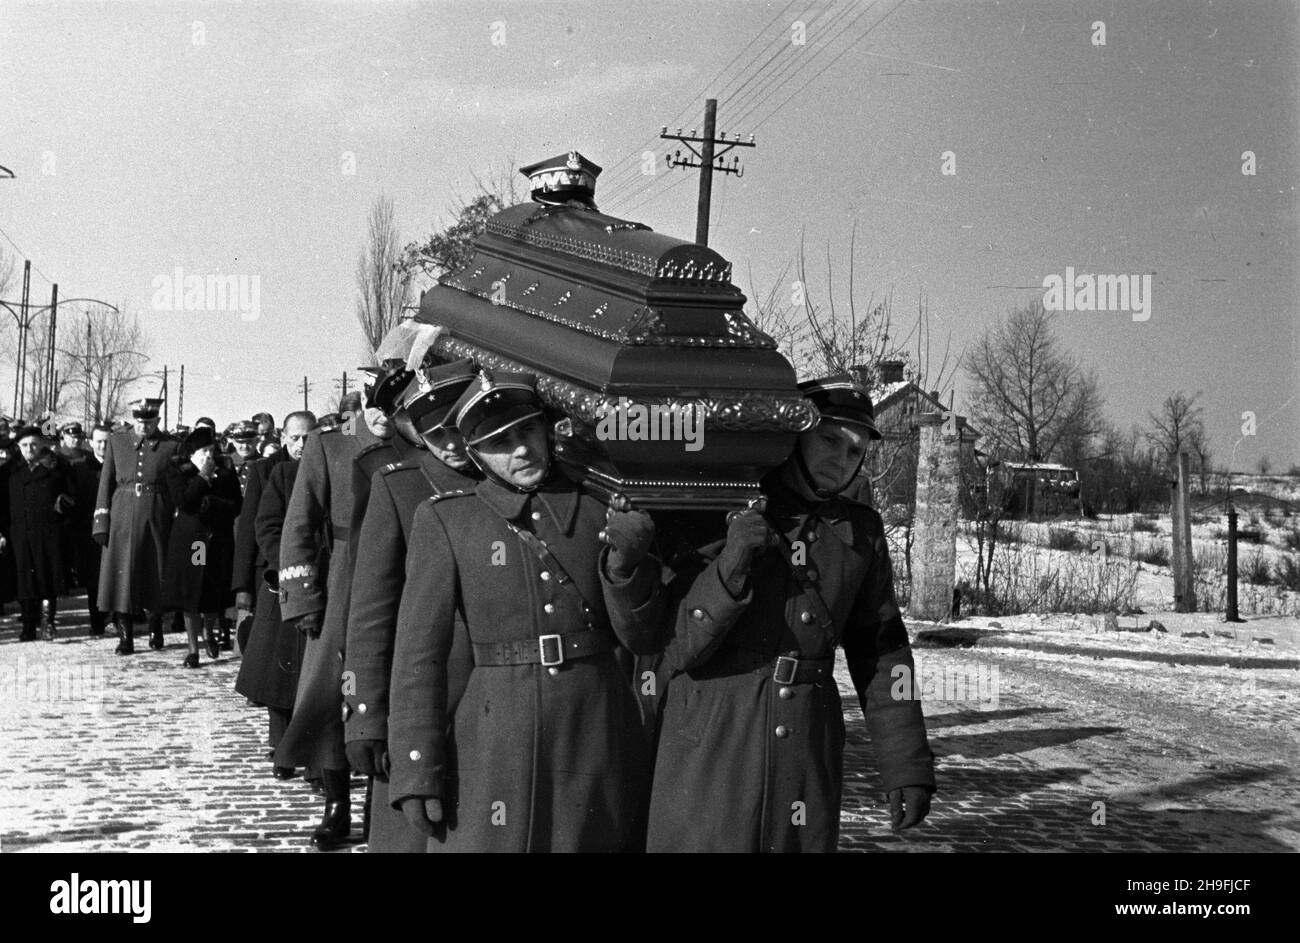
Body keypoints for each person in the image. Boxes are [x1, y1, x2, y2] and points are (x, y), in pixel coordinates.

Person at [644, 373, 936, 853]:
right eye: (828, 440)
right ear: (794, 435)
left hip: (806, 749)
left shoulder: (858, 533)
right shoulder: (723, 506)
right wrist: (732, 561)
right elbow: (679, 643)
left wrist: (906, 764)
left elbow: (881, 653)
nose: (839, 460)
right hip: (715, 736)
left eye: (854, 451)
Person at [388, 370, 665, 852]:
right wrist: (416, 768)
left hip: (595, 729)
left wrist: (626, 567)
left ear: (546, 429)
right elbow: (419, 657)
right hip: (494, 738)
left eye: (526, 431)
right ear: (474, 454)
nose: (519, 450)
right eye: (500, 442)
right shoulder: (447, 521)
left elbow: (641, 637)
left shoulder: (600, 511)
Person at [344, 358, 480, 852]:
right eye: (430, 429)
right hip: (423, 691)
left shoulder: (508, 481)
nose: (447, 442)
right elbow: (371, 613)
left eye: (454, 426)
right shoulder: (399, 486)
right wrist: (365, 713)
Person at [274, 366, 402, 849]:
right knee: (330, 694)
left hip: (404, 573)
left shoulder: (415, 440)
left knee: (386, 688)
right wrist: (304, 597)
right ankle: (336, 804)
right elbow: (299, 525)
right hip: (344, 581)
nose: (385, 412)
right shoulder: (330, 444)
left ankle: (379, 800)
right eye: (377, 399)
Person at [234, 411, 315, 778]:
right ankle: (281, 747)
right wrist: (287, 564)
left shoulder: (325, 470)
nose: (301, 445)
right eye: (295, 438)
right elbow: (263, 527)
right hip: (281, 581)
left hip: (320, 583)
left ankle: (315, 756)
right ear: (284, 438)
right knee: (279, 675)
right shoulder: (275, 473)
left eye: (308, 438)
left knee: (313, 674)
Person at [93, 397, 179, 654]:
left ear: (158, 421)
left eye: (150, 423)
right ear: (133, 419)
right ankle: (125, 635)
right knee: (122, 577)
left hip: (157, 513)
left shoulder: (171, 446)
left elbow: (176, 487)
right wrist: (101, 521)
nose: (145, 427)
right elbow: (106, 483)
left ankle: (155, 627)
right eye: (141, 422)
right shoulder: (117, 441)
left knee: (156, 572)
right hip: (122, 515)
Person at [162, 426, 242, 668]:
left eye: (210, 451)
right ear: (192, 455)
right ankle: (193, 648)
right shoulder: (180, 472)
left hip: (217, 540)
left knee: (211, 591)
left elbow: (237, 505)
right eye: (202, 452)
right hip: (193, 542)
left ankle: (209, 633)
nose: (208, 456)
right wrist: (202, 477)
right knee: (192, 593)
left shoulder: (226, 473)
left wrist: (214, 504)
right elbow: (184, 501)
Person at [0, 425, 75, 641]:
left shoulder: (57, 467)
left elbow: (71, 495)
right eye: (24, 445)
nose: (29, 449)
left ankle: (47, 622)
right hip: (19, 533)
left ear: (42, 444)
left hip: (49, 532)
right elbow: (2, 504)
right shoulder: (9, 472)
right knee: (24, 580)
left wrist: (63, 505)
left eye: (33, 444)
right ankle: (28, 625)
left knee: (48, 578)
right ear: (18, 447)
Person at [65, 423, 111, 636]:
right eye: (98, 441)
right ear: (91, 442)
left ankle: (115, 617)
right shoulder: (80, 468)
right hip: (88, 530)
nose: (102, 445)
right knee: (93, 578)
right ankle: (97, 621)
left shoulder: (119, 466)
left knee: (113, 575)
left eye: (106, 441)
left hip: (114, 529)